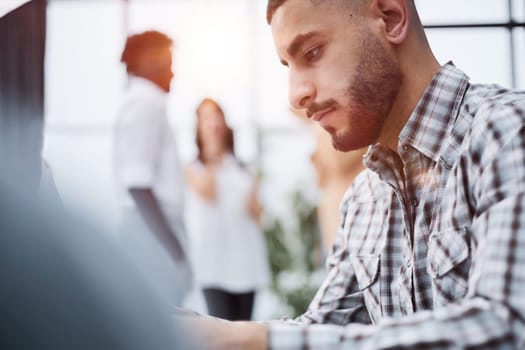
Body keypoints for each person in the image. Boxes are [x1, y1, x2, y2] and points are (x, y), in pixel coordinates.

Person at [178, 0, 525, 348]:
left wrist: (253, 340)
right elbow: (321, 329)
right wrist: (204, 332)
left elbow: (508, 326)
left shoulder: (508, 133)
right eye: (288, 66)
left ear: (390, 18)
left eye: (312, 52)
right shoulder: (363, 200)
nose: (295, 95)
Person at [114, 30, 192, 309]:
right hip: (149, 232)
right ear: (148, 62)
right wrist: (173, 249)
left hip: (149, 228)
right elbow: (136, 184)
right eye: (168, 63)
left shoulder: (145, 103)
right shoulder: (145, 104)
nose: (173, 73)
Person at [184, 98, 269, 321]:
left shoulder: (243, 168)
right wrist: (212, 153)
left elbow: (257, 214)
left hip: (245, 263)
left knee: (244, 331)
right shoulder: (193, 168)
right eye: (205, 118)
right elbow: (208, 193)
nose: (212, 122)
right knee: (221, 330)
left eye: (216, 115)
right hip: (214, 266)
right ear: (198, 127)